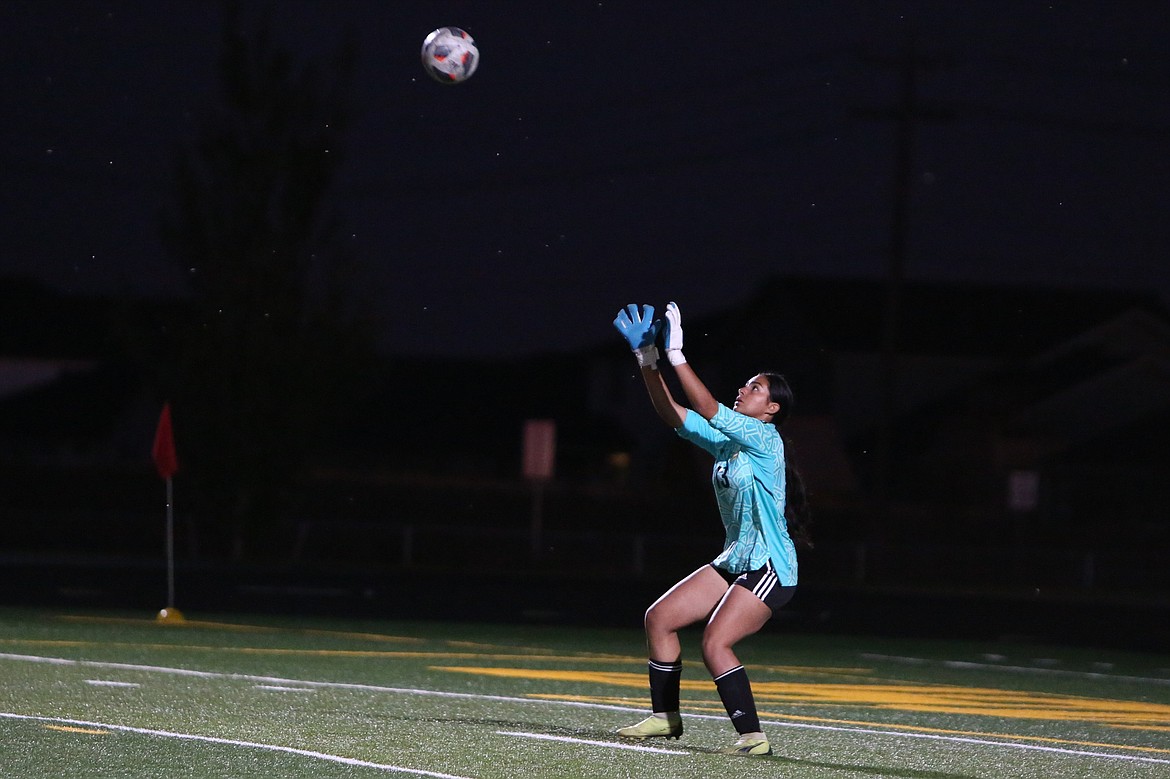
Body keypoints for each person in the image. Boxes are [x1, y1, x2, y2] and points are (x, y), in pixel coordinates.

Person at [611, 301, 811, 758]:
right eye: (747, 383)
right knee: (659, 619)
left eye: (755, 388)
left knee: (715, 643)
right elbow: (674, 413)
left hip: (770, 566)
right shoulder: (727, 441)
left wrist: (676, 352)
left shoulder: (765, 438)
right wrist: (648, 359)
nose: (745, 389)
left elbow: (706, 405)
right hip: (736, 558)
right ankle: (665, 716)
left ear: (772, 408)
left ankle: (752, 737)